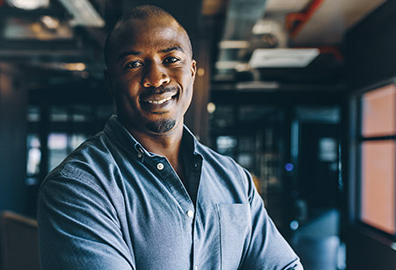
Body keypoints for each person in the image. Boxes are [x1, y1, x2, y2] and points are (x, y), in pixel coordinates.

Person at [37, 5, 303, 270]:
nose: (156, 77)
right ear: (111, 82)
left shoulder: (234, 179)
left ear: (192, 70)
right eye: (134, 64)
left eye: (171, 59)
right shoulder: (77, 188)